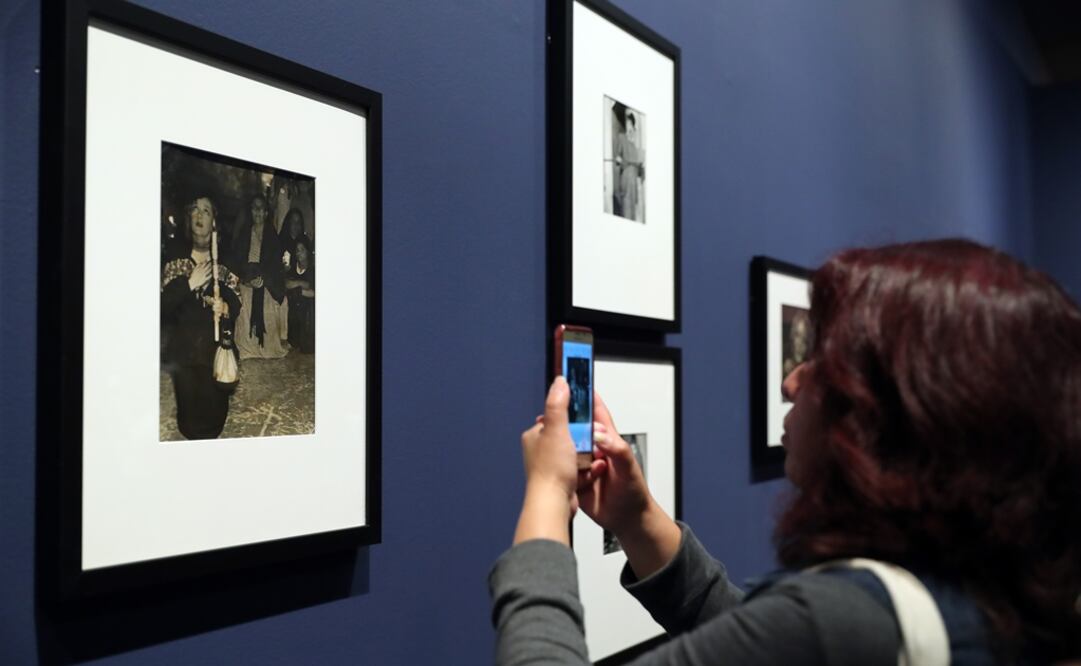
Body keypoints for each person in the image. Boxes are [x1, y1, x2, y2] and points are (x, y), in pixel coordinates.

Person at [490, 240, 1081, 664]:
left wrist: (546, 502)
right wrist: (639, 520)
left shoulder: (842, 622)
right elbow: (755, 637)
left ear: (903, 412)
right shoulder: (988, 597)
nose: (793, 381)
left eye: (832, 361)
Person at [161, 195, 242, 440]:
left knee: (212, 422)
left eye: (206, 211)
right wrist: (189, 284)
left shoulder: (224, 260)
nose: (199, 215)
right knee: (189, 425)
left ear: (214, 221)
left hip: (213, 353)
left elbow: (236, 304)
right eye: (195, 209)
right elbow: (163, 307)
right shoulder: (175, 258)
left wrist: (225, 306)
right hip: (184, 353)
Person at [231, 194, 289, 359]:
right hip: (247, 280)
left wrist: (262, 279)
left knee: (267, 307)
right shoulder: (244, 233)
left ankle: (265, 348)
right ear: (251, 211)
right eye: (254, 208)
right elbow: (239, 259)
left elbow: (274, 264)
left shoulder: (272, 236)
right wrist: (247, 279)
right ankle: (246, 349)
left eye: (260, 209)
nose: (257, 212)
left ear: (265, 213)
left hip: (265, 281)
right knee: (242, 304)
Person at [283, 234, 315, 354]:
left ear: (307, 251)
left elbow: (314, 292)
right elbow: (287, 284)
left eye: (302, 250)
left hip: (308, 312)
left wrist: (298, 288)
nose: (299, 253)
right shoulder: (292, 269)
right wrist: (302, 284)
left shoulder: (313, 270)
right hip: (295, 312)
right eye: (297, 250)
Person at [614, 110, 644, 222]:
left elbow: (640, 159)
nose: (629, 126)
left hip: (634, 177)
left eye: (630, 123)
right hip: (626, 175)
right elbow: (617, 157)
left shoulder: (635, 140)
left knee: (634, 209)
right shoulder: (621, 137)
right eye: (627, 123)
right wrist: (621, 161)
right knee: (626, 207)